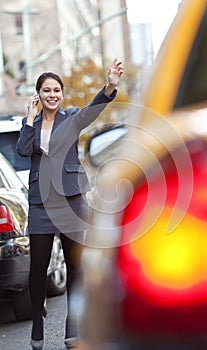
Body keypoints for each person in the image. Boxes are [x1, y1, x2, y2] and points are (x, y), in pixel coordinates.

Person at [16, 59, 124, 350]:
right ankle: (37, 322)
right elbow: (23, 150)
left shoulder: (72, 118)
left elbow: (93, 109)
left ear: (61, 94)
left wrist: (111, 84)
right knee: (37, 267)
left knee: (75, 267)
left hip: (71, 201)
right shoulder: (32, 125)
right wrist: (29, 117)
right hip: (41, 204)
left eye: (56, 90)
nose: (52, 95)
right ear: (39, 94)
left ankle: (71, 326)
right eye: (47, 90)